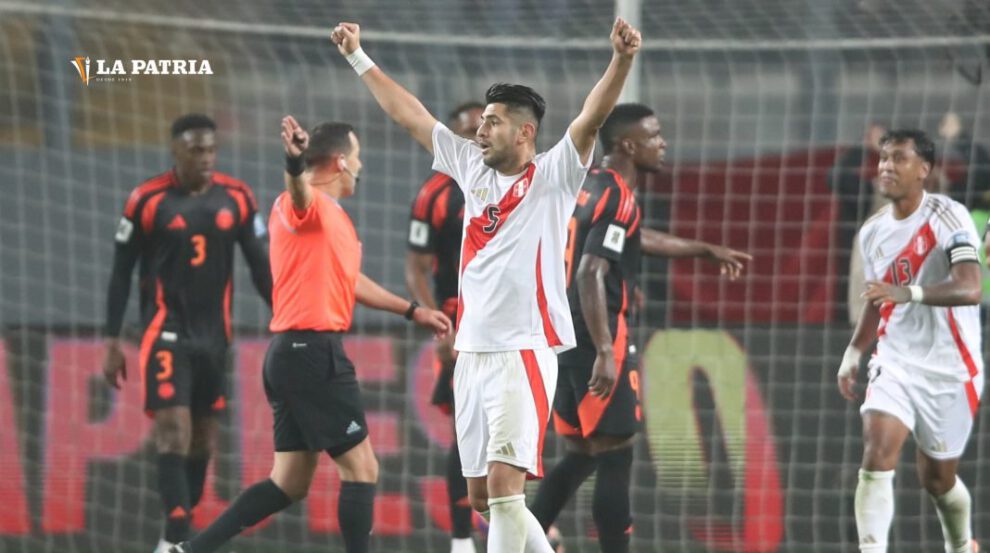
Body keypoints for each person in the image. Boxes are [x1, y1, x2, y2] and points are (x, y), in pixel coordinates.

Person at [331, 17, 642, 553]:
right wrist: (359, 57)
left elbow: (591, 117)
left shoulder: (553, 175)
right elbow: (411, 115)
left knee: (503, 490)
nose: (480, 129)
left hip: (523, 349)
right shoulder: (470, 170)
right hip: (472, 352)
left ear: (525, 132)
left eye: (493, 121)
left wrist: (621, 60)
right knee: (483, 496)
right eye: (481, 120)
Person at [170, 118, 451, 553]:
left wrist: (413, 310)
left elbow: (351, 281)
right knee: (362, 469)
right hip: (311, 351)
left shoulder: (334, 219)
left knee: (289, 482)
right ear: (340, 162)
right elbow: (299, 190)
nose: (361, 165)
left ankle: (190, 550)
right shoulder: (305, 203)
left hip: (291, 353)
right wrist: (294, 160)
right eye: (357, 157)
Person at [530, 103, 751, 553]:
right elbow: (591, 271)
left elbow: (628, 238)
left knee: (581, 454)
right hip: (597, 336)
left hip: (561, 337)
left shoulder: (589, 186)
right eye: (654, 135)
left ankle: (514, 542)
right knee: (616, 452)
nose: (662, 143)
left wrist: (701, 249)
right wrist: (607, 350)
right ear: (628, 146)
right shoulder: (618, 195)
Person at [101, 113, 272, 553]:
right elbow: (121, 274)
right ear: (176, 150)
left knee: (203, 441)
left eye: (211, 149)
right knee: (173, 429)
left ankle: (172, 532)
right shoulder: (146, 200)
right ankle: (177, 535)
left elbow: (259, 266)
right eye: (196, 150)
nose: (206, 158)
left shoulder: (237, 197)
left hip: (216, 337)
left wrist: (285, 317)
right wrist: (112, 338)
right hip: (164, 331)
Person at [836, 129, 982, 553]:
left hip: (952, 367)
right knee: (877, 449)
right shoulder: (874, 231)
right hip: (895, 358)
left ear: (924, 170)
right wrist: (854, 351)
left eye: (899, 159)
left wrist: (910, 293)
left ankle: (961, 545)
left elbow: (970, 287)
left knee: (938, 481)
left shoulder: (949, 217)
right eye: (883, 159)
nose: (886, 167)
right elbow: (878, 296)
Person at [405, 101, 485, 553]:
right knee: (466, 431)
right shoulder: (435, 192)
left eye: (484, 126)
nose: (477, 136)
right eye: (467, 130)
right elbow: (415, 267)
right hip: (460, 322)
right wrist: (440, 326)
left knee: (512, 431)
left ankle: (521, 526)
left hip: (508, 326)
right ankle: (461, 538)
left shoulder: (513, 180)